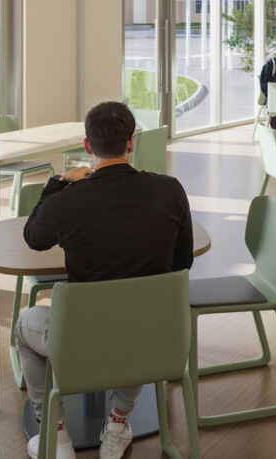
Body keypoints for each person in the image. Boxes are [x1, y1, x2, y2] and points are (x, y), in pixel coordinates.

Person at [17, 101, 195, 459]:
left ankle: (56, 434)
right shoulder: (170, 189)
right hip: (152, 337)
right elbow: (181, 262)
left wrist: (58, 182)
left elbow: (34, 238)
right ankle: (117, 422)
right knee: (136, 316)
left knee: (24, 325)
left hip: (82, 343)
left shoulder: (66, 202)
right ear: (132, 143)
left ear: (87, 146)